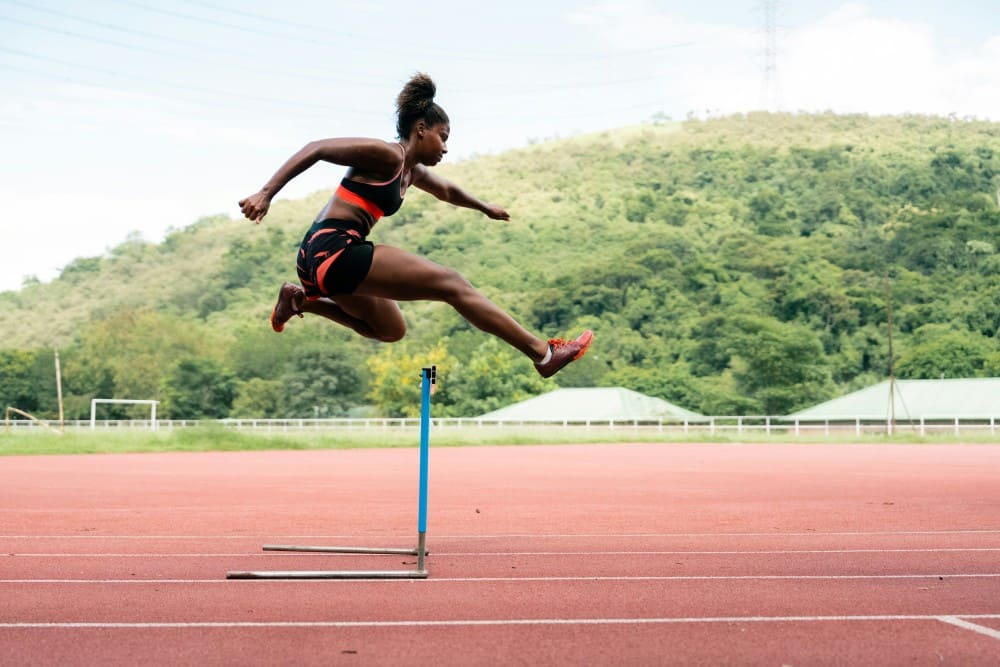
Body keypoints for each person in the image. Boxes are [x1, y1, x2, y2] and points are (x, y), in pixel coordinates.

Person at [238, 73, 591, 378]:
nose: (446, 147)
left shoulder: (412, 171)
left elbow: (448, 190)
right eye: (444, 136)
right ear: (420, 130)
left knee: (391, 329)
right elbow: (317, 148)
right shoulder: (387, 155)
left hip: (324, 263)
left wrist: (485, 208)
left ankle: (300, 301)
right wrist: (266, 193)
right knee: (452, 284)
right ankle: (543, 354)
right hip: (333, 248)